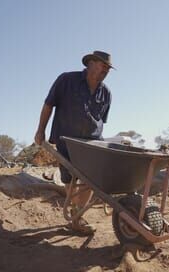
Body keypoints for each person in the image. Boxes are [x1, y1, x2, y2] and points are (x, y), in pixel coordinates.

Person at [34, 50, 113, 235]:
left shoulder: (106, 93)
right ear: (90, 63)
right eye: (103, 65)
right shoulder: (66, 80)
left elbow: (101, 121)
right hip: (66, 140)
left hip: (92, 143)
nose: (106, 70)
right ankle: (76, 213)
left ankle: (77, 215)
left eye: (108, 68)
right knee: (69, 177)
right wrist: (40, 130)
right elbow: (48, 105)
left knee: (90, 179)